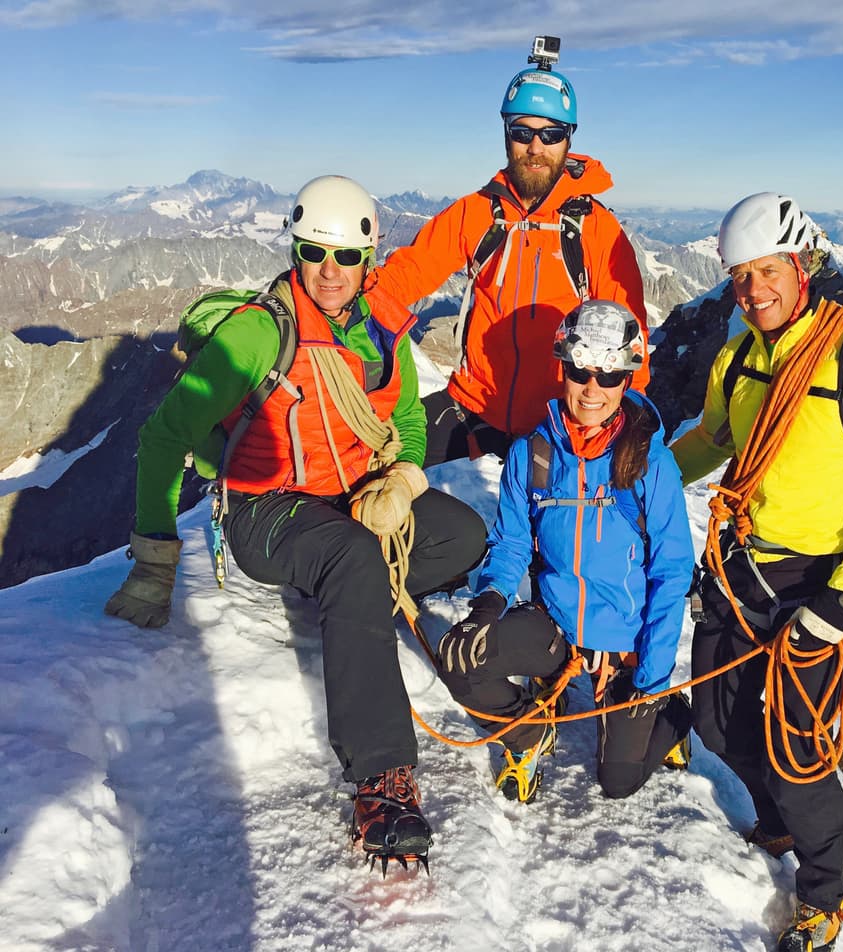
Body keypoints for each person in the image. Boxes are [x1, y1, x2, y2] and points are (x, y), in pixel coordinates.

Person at [104, 175, 488, 871]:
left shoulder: (382, 327)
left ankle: (352, 601)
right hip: (265, 511)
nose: (329, 272)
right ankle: (381, 782)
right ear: (295, 249)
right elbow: (165, 436)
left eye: (345, 257)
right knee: (352, 559)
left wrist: (402, 479)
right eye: (314, 253)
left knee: (459, 535)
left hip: (351, 496)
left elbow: (402, 417)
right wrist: (154, 559)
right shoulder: (257, 334)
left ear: (370, 260)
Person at [670, 193, 843, 952]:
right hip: (740, 567)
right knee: (718, 720)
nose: (754, 291)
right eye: (741, 276)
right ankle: (778, 830)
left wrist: (841, 601)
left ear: (803, 264)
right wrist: (638, 471)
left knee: (797, 753)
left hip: (814, 584)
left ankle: (822, 893)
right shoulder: (740, 353)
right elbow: (715, 439)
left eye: (768, 271)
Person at [435, 299, 694, 803]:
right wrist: (489, 602)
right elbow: (511, 542)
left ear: (628, 379)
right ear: (563, 368)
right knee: (461, 658)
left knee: (617, 784)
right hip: (554, 627)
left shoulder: (650, 464)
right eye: (580, 371)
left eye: (610, 375)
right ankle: (529, 731)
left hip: (625, 645)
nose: (593, 389)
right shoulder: (532, 454)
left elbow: (671, 572)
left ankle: (673, 715)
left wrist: (651, 678)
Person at [374, 39, 647, 466]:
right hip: (475, 404)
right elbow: (404, 276)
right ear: (507, 134)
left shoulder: (596, 228)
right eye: (523, 132)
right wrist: (331, 311)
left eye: (551, 134)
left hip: (558, 419)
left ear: (568, 139)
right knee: (374, 457)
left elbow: (630, 333)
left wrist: (629, 418)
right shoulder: (477, 213)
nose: (535, 147)